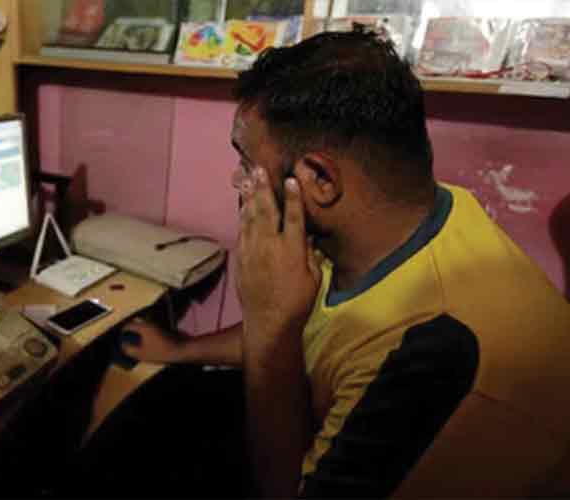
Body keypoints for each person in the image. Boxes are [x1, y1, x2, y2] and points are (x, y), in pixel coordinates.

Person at [68, 30, 570, 498]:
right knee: (158, 404)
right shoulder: (400, 217)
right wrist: (182, 349)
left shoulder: (435, 354)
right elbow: (313, 328)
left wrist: (267, 318)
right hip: (323, 415)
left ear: (320, 180)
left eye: (246, 162)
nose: (238, 181)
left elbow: (283, 490)